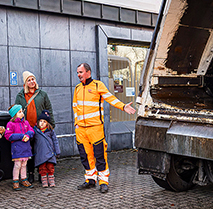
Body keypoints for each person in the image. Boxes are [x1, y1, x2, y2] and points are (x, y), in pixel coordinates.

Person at [73, 63, 136, 193]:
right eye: (77, 72)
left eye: (81, 72)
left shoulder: (97, 85)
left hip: (95, 128)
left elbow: (110, 98)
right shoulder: (77, 88)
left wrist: (123, 106)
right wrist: (76, 123)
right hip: (81, 129)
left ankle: (103, 181)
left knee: (100, 155)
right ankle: (90, 179)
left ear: (88, 72)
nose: (78, 75)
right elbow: (75, 107)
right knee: (85, 156)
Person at [4, 105, 35, 190]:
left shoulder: (26, 123)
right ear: (15, 114)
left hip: (26, 148)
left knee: (24, 164)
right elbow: (8, 135)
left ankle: (24, 179)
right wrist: (21, 136)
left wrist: (28, 135)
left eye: (22, 111)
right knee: (17, 165)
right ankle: (15, 180)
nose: (22, 113)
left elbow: (31, 130)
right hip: (17, 148)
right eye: (20, 112)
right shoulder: (11, 124)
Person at [33, 111, 60, 188]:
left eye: (44, 122)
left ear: (47, 123)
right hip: (40, 153)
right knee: (42, 168)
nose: (42, 123)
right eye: (40, 121)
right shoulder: (35, 131)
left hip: (50, 153)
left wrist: (57, 151)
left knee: (50, 167)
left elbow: (55, 141)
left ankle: (51, 179)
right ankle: (44, 180)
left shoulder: (50, 131)